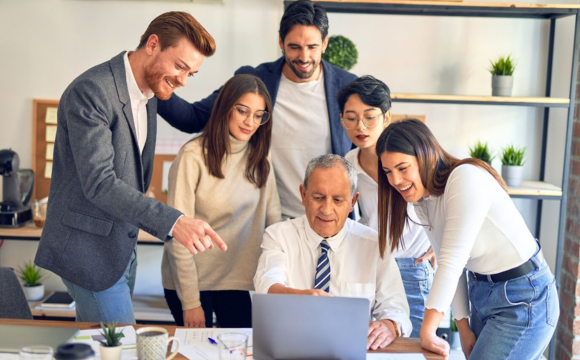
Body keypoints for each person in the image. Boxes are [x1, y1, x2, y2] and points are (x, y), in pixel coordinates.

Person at [34, 11, 228, 324]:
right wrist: (175, 221)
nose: (182, 80)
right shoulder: (92, 92)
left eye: (190, 73)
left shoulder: (151, 90)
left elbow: (191, 118)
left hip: (121, 248)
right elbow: (100, 183)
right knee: (121, 349)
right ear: (153, 44)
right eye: (180, 66)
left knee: (103, 349)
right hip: (88, 251)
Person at [376, 119, 559, 359]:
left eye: (402, 168)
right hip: (483, 294)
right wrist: (463, 327)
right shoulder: (423, 199)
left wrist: (428, 331)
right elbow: (447, 261)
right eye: (388, 171)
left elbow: (453, 262)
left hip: (524, 297)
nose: (395, 181)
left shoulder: (465, 178)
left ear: (425, 156)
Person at [157, 0, 357, 219]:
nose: (304, 57)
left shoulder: (347, 87)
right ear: (281, 42)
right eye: (294, 47)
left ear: (325, 43)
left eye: (312, 47)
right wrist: (151, 83)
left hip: (330, 219)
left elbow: (364, 153)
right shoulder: (256, 80)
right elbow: (193, 119)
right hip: (271, 219)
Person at [254, 154, 412, 350]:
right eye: (318, 198)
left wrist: (389, 325)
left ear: (353, 201)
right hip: (291, 347)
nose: (326, 210)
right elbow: (267, 283)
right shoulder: (278, 236)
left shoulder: (374, 245)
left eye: (337, 200)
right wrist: (298, 297)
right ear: (303, 195)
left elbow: (397, 310)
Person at [161, 74, 282, 328]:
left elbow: (273, 220)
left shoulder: (260, 156)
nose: (251, 122)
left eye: (259, 115)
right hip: (191, 284)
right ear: (226, 107)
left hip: (235, 282)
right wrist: (191, 302)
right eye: (242, 111)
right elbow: (177, 234)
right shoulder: (193, 156)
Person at [338, 76, 435, 338]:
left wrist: (441, 243)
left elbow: (443, 194)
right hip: (373, 269)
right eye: (351, 117)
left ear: (387, 117)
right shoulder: (348, 164)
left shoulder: (409, 155)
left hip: (412, 269)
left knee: (414, 350)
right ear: (341, 120)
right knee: (374, 346)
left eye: (370, 116)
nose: (361, 126)